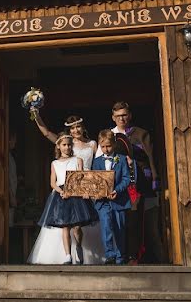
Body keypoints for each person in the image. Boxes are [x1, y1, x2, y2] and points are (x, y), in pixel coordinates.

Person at [104, 101, 165, 263]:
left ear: (129, 115)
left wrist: (155, 178)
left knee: (144, 223)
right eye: (118, 116)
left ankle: (149, 258)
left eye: (124, 115)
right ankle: (122, 256)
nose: (121, 119)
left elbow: (151, 157)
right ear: (113, 117)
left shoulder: (141, 134)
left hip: (141, 183)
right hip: (119, 185)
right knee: (122, 222)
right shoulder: (109, 136)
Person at [27, 135, 98, 265]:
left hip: (76, 195)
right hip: (61, 196)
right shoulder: (54, 163)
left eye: (69, 145)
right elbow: (53, 182)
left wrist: (80, 191)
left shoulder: (78, 160)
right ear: (58, 146)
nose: (67, 147)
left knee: (77, 226)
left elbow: (80, 178)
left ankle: (78, 246)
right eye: (64, 145)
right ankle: (67, 255)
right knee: (65, 226)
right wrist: (61, 192)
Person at [91, 130, 132, 264]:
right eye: (102, 147)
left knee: (119, 228)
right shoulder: (96, 162)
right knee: (106, 227)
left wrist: (117, 190)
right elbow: (95, 180)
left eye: (108, 146)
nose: (106, 149)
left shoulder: (121, 159)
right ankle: (110, 255)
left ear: (114, 145)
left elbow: (126, 179)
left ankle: (121, 257)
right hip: (103, 202)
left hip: (118, 200)